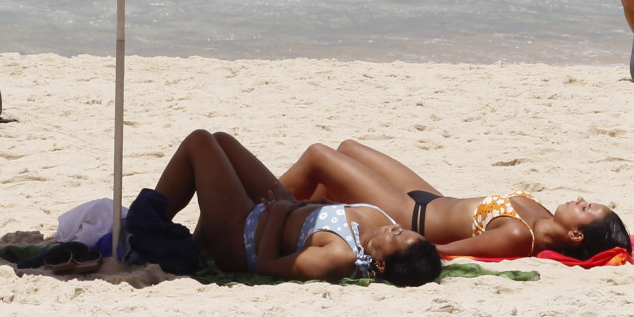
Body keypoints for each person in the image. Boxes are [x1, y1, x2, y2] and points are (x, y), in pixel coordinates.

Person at [150, 129, 439, 284]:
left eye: (397, 237)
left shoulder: (340, 256)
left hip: (242, 241)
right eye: (402, 230)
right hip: (273, 210)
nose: (396, 227)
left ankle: (147, 224)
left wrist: (279, 214)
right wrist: (295, 206)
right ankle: (199, 242)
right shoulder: (376, 220)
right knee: (222, 141)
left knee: (200, 142)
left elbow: (265, 267)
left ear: (380, 264)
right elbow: (322, 206)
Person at [279, 139, 631, 260]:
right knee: (348, 150)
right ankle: (305, 222)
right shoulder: (539, 214)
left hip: (408, 214)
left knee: (320, 157)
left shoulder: (519, 236)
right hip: (429, 197)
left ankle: (262, 210)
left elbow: (444, 250)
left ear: (575, 236)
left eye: (586, 209)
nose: (581, 199)